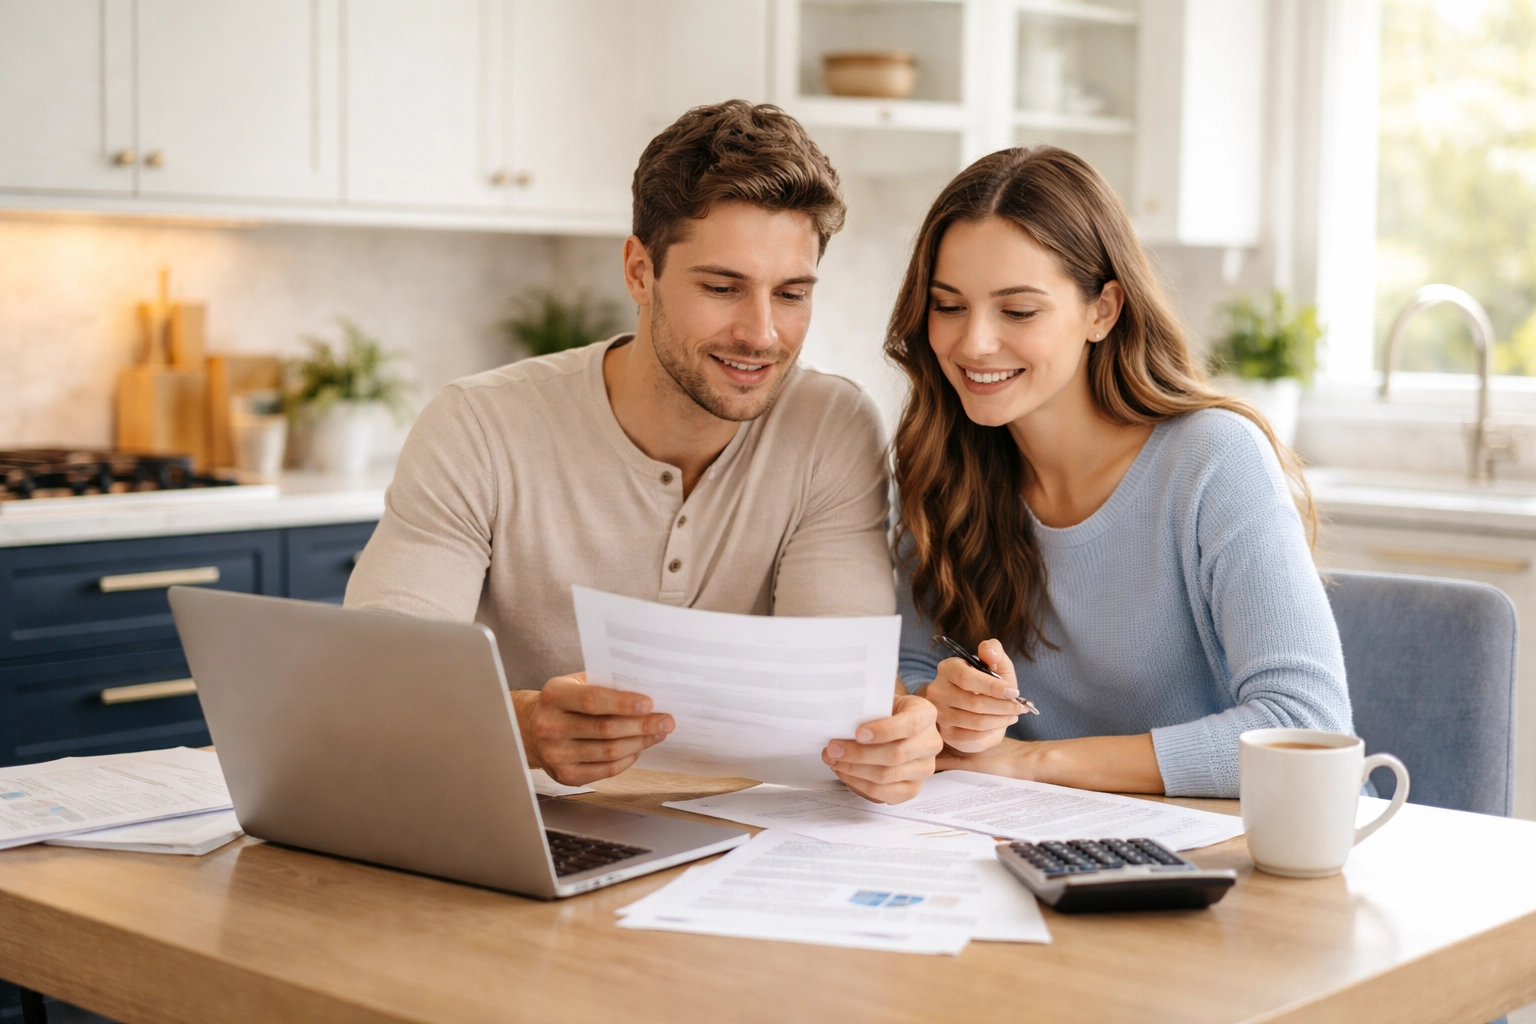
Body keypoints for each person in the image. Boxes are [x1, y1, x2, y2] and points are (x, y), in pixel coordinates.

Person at [346, 100, 940, 803]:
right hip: (525, 829)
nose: (763, 334)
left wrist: (889, 742)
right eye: (722, 288)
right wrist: (528, 725)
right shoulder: (478, 426)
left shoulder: (831, 427)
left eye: (791, 294)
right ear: (639, 272)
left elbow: (834, 694)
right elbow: (373, 685)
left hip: (748, 840)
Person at [886, 146, 1351, 799]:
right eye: (948, 305)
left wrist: (1033, 762)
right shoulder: (941, 463)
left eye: (1018, 310)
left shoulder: (1214, 459)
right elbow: (908, 670)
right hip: (1023, 835)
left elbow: (1304, 728)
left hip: (1211, 855)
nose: (972, 343)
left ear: (1102, 310)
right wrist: (940, 706)